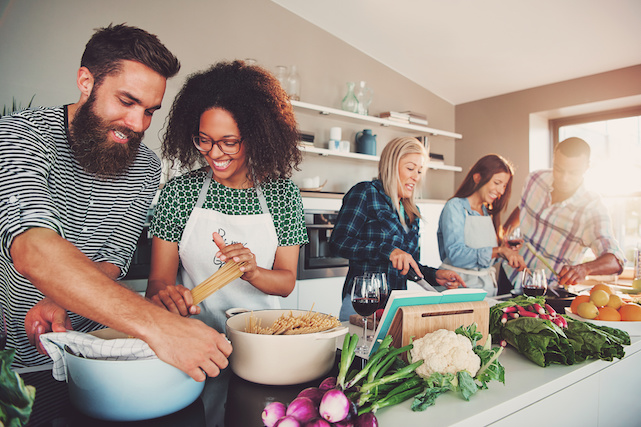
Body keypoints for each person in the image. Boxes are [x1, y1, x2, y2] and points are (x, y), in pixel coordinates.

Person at [0, 24, 232, 381]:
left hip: (97, 350)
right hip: (13, 356)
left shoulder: (144, 165)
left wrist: (64, 297)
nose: (138, 124)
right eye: (127, 102)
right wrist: (160, 327)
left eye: (150, 110)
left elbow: (112, 257)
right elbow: (33, 248)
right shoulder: (21, 135)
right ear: (86, 81)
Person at [145, 60, 308, 333]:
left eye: (229, 142)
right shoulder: (179, 193)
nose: (214, 153)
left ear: (256, 137)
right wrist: (167, 298)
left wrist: (253, 272)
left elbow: (286, 282)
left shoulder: (283, 195)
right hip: (195, 336)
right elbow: (158, 282)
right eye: (204, 139)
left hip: (263, 337)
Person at [329, 137, 465, 321]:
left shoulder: (412, 212)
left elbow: (408, 265)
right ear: (391, 165)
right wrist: (387, 251)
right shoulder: (365, 193)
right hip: (363, 304)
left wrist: (434, 275)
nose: (416, 177)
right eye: (410, 168)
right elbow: (338, 242)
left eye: (419, 171)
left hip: (396, 307)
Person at [504, 137, 625, 288]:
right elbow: (522, 207)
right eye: (558, 169)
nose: (564, 178)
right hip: (510, 273)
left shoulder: (593, 208)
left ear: (587, 168)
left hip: (548, 290)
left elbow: (616, 260)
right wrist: (504, 234)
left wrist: (584, 269)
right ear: (553, 159)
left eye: (573, 173)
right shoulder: (535, 179)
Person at [437, 154, 526, 296]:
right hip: (458, 289)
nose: (501, 191)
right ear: (477, 177)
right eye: (497, 183)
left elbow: (484, 256)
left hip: (486, 290)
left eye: (504, 186)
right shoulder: (455, 207)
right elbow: (456, 255)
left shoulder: (487, 212)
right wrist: (498, 251)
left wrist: (503, 251)